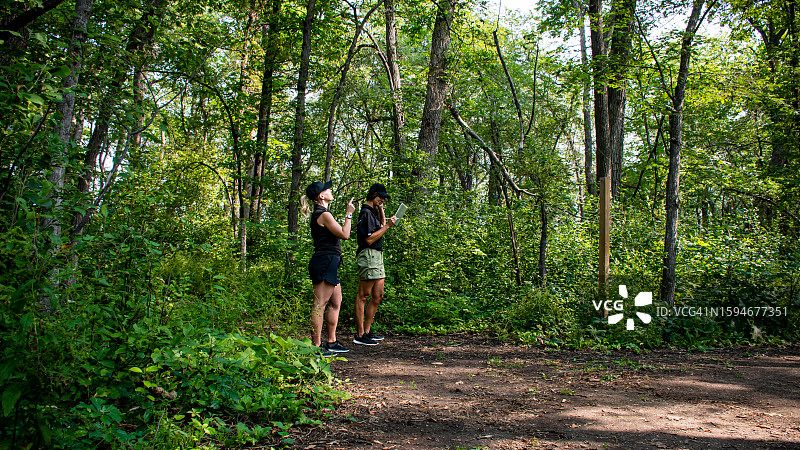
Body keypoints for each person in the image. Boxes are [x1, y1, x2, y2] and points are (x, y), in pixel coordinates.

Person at [301, 180, 356, 356]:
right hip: (324, 261)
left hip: (331, 262)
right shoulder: (323, 213)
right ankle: (316, 346)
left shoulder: (324, 214)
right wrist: (349, 215)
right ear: (321, 196)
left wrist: (344, 227)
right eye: (328, 189)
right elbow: (345, 235)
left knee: (335, 302)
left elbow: (340, 233)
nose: (331, 190)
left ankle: (331, 341)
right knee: (320, 304)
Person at [353, 183, 397, 346]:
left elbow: (380, 225)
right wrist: (387, 226)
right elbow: (370, 238)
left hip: (377, 255)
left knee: (378, 296)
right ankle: (359, 335)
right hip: (368, 254)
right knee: (363, 296)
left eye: (384, 198)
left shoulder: (373, 212)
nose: (383, 200)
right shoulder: (365, 213)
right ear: (373, 195)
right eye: (381, 197)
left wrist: (381, 209)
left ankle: (367, 331)